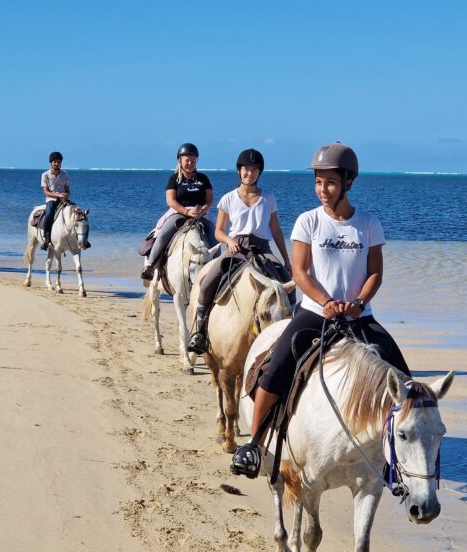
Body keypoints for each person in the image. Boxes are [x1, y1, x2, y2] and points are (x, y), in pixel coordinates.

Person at [230, 142, 412, 479]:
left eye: (329, 182)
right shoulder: (308, 221)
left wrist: (357, 303)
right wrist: (326, 302)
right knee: (276, 369)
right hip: (315, 313)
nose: (322, 190)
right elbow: (299, 271)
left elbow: (375, 273)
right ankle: (254, 445)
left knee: (406, 383)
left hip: (360, 316)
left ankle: (397, 462)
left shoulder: (368, 224)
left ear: (348, 182)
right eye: (317, 182)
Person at [186, 148, 292, 354]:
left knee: (287, 284)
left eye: (254, 170)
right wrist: (229, 240)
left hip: (262, 249)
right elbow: (218, 231)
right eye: (245, 169)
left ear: (259, 173)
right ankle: (199, 331)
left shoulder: (268, 197)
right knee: (209, 279)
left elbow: (276, 230)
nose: (249, 174)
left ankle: (288, 331)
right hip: (237, 248)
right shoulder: (228, 199)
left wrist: (286, 259)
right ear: (239, 171)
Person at [140, 143, 218, 281]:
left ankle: (219, 270)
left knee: (214, 237)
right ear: (180, 161)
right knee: (163, 233)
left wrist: (202, 211)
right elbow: (171, 201)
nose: (190, 163)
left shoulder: (203, 179)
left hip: (200, 213)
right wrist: (187, 212)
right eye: (187, 160)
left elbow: (209, 199)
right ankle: (150, 265)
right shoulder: (173, 179)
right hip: (178, 212)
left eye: (193, 161)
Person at [40, 151, 70, 250]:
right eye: (55, 162)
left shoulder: (65, 175)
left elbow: (67, 190)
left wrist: (65, 195)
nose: (57, 164)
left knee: (76, 212)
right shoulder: (45, 175)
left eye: (59, 162)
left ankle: (77, 237)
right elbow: (46, 192)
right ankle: (46, 237)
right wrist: (57, 195)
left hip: (63, 200)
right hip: (51, 199)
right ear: (51, 163)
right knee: (49, 213)